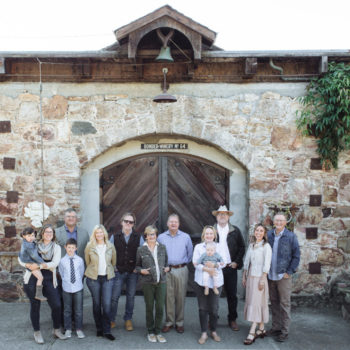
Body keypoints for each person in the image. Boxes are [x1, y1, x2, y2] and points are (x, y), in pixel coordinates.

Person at [19, 224, 67, 344]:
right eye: (46, 232)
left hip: (49, 278)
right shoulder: (35, 244)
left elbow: (55, 263)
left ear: (53, 234)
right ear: (42, 233)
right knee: (35, 306)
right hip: (33, 279)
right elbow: (20, 258)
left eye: (51, 232)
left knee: (56, 305)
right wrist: (28, 265)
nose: (48, 234)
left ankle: (56, 330)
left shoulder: (56, 247)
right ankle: (37, 332)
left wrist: (40, 265)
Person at [267, 212, 300, 343]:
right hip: (270, 275)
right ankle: (276, 327)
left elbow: (296, 255)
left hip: (283, 275)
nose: (279, 223)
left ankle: (284, 331)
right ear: (273, 222)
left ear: (285, 222)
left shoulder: (291, 236)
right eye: (277, 220)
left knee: (284, 304)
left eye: (281, 220)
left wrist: (289, 271)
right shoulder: (268, 234)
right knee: (274, 303)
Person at [158, 214, 193, 334]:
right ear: (167, 223)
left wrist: (181, 264)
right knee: (168, 297)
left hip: (181, 270)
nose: (173, 224)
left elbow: (190, 254)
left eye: (175, 222)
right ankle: (169, 322)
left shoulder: (185, 237)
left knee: (180, 296)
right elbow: (158, 254)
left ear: (179, 224)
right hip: (166, 270)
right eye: (171, 222)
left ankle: (179, 323)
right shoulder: (161, 237)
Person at [212, 205, 245, 331]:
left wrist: (236, 262)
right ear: (216, 216)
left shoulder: (235, 231)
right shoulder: (211, 230)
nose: (222, 216)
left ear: (228, 216)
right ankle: (212, 319)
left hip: (229, 267)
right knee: (213, 295)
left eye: (225, 214)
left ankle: (232, 319)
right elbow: (204, 245)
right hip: (215, 268)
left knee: (232, 295)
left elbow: (242, 247)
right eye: (220, 214)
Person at [110, 212, 144, 331]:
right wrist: (112, 266)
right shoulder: (115, 236)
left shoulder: (138, 237)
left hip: (132, 272)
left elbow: (143, 254)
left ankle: (128, 319)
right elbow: (109, 252)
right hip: (118, 271)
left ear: (133, 224)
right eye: (126, 221)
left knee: (130, 296)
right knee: (114, 297)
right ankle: (111, 319)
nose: (128, 224)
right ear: (122, 222)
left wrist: (138, 267)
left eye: (131, 222)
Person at [136, 225, 169, 343]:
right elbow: (137, 266)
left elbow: (166, 263)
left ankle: (158, 331)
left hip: (162, 281)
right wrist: (141, 271)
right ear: (145, 236)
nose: (151, 236)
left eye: (153, 234)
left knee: (160, 307)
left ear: (156, 235)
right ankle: (150, 331)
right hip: (147, 283)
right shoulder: (141, 249)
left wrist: (167, 268)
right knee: (149, 307)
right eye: (149, 234)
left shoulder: (162, 248)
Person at [192, 225, 224, 345]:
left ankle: (214, 331)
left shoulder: (220, 247)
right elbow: (195, 262)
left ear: (214, 235)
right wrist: (206, 269)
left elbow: (224, 261)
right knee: (202, 308)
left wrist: (214, 266)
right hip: (201, 281)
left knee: (214, 309)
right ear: (203, 235)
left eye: (211, 234)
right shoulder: (198, 247)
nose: (209, 236)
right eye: (207, 234)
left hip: (216, 281)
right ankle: (204, 332)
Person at [85, 224, 116, 341]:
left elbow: (113, 262)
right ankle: (99, 329)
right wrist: (94, 272)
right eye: (97, 232)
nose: (99, 234)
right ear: (94, 234)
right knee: (97, 304)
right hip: (94, 279)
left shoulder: (110, 246)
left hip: (107, 278)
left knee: (107, 305)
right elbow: (88, 262)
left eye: (101, 232)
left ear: (104, 234)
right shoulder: (89, 246)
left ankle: (107, 330)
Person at [242, 224, 272, 345]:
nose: (258, 233)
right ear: (254, 232)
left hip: (260, 278)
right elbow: (246, 261)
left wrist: (262, 279)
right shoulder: (251, 245)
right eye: (257, 230)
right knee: (255, 302)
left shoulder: (266, 246)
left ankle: (252, 332)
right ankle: (261, 329)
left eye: (261, 231)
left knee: (256, 303)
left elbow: (267, 264)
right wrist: (244, 276)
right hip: (250, 277)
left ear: (264, 233)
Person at [58, 238, 85, 339]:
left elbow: (81, 272)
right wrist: (66, 281)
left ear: (76, 248)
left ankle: (79, 329)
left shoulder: (79, 260)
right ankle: (68, 329)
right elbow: (61, 273)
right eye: (69, 247)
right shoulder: (62, 261)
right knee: (67, 310)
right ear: (65, 247)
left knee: (78, 310)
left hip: (78, 287)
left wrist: (77, 281)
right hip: (66, 288)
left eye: (73, 247)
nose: (70, 249)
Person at [19, 227, 46, 301]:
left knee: (40, 277)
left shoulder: (28, 242)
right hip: (29, 262)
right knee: (40, 277)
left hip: (29, 260)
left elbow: (35, 250)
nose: (31, 238)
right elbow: (34, 255)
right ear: (24, 236)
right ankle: (38, 294)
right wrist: (42, 262)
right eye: (29, 235)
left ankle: (38, 294)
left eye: (33, 235)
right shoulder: (28, 245)